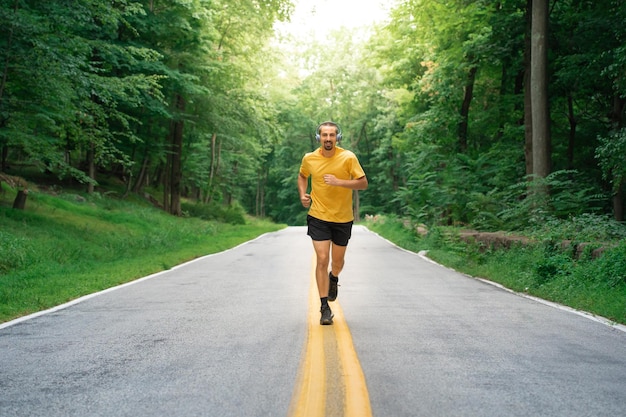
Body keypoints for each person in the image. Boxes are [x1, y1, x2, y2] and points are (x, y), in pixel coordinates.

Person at [298, 121, 368, 325]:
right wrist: (303, 194)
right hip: (318, 215)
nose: (328, 138)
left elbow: (363, 183)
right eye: (324, 135)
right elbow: (302, 176)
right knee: (321, 258)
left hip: (343, 218)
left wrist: (340, 182)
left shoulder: (348, 157)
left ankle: (334, 278)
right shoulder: (309, 158)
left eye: (332, 135)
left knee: (337, 262)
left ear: (338, 137)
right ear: (318, 137)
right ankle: (324, 308)